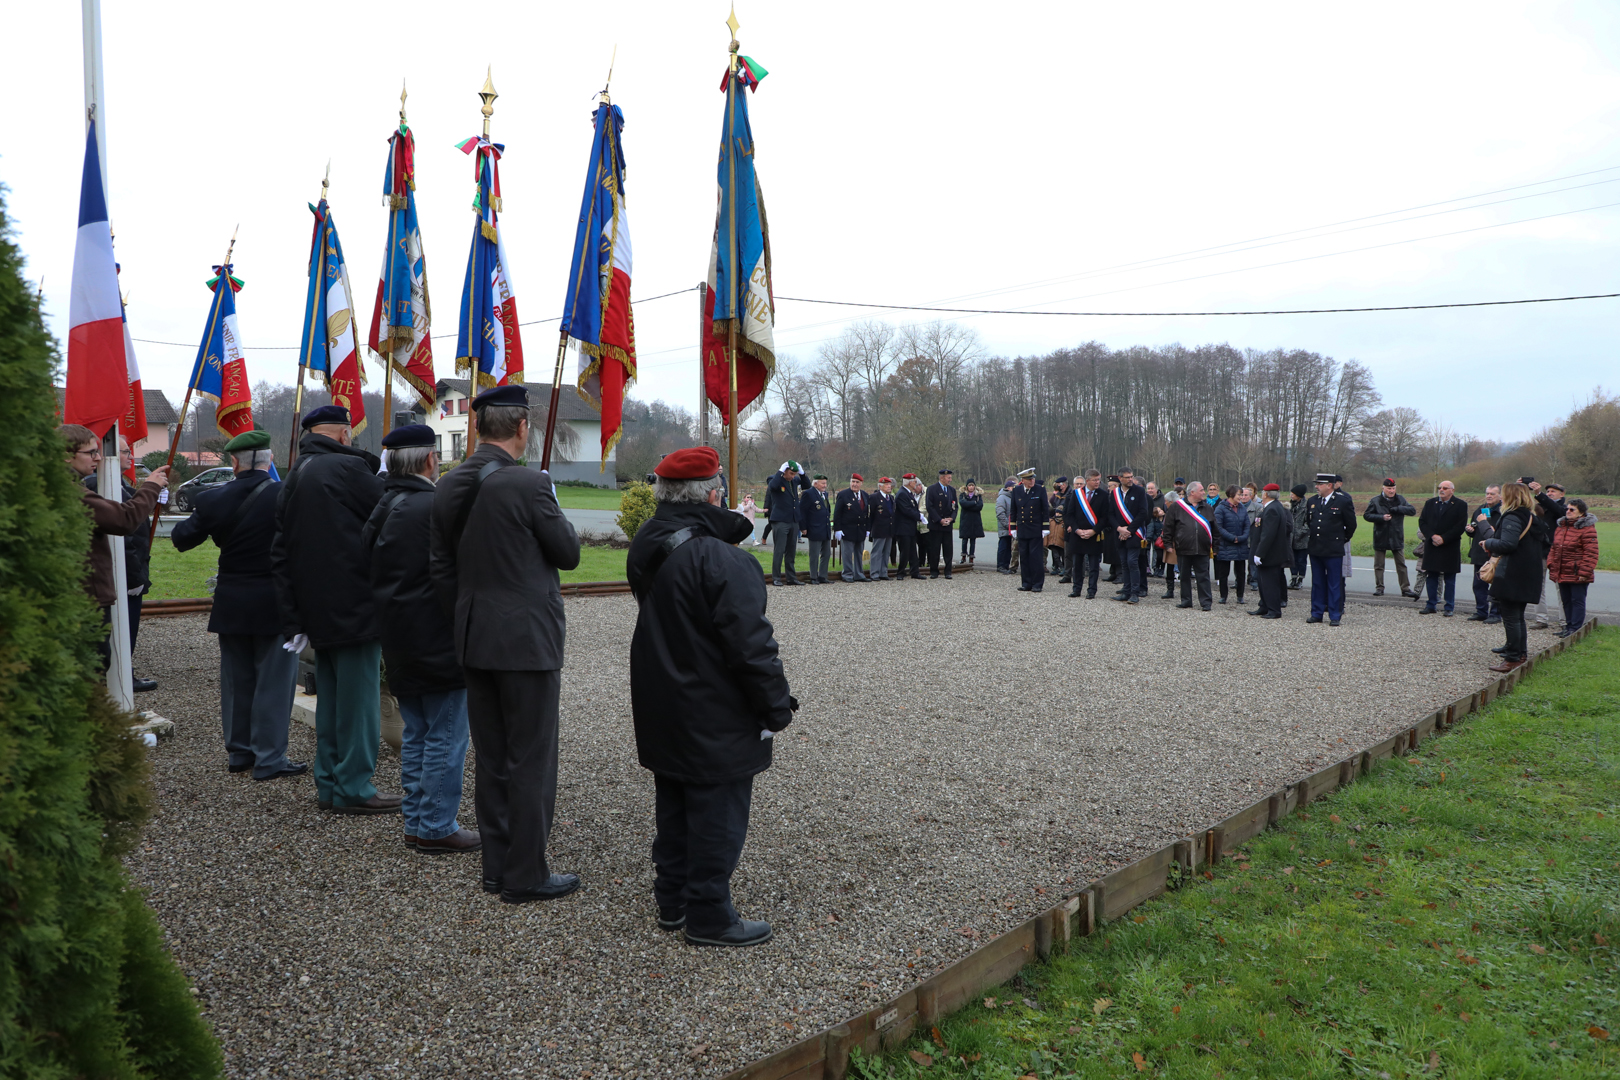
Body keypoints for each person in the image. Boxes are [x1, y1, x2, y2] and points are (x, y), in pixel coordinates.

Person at [626, 446, 796, 947]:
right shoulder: (723, 560)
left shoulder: (648, 541)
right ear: (714, 493)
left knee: (675, 799)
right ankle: (709, 915)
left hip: (663, 693)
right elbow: (751, 646)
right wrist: (775, 705)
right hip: (712, 703)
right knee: (718, 812)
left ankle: (673, 898)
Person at [429, 385, 582, 903]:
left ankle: (496, 867)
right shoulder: (530, 484)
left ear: (477, 428)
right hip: (526, 639)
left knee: (492, 757)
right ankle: (526, 875)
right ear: (522, 428)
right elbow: (568, 554)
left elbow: (441, 567)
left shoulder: (448, 485)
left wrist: (470, 613)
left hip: (474, 635)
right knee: (532, 759)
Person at [272, 404, 395, 815]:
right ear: (343, 435)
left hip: (317, 608)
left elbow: (280, 551)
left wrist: (294, 616)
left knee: (332, 703)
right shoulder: (347, 470)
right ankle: (355, 786)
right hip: (355, 606)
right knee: (359, 706)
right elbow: (389, 516)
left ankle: (329, 782)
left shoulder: (295, 475)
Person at [362, 424, 477, 854]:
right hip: (437, 637)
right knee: (446, 736)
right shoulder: (432, 506)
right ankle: (434, 824)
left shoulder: (386, 502)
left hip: (400, 636)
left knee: (418, 734)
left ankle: (418, 820)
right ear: (430, 460)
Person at [171, 429, 304, 782]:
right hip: (275, 601)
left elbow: (181, 539)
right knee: (274, 684)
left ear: (234, 463)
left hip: (231, 600)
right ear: (268, 461)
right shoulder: (284, 494)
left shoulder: (214, 499)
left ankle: (239, 752)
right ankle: (270, 757)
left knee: (237, 681)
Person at [60, 424, 170, 673]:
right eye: (91, 452)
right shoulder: (71, 493)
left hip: (73, 594)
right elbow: (123, 520)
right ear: (66, 455)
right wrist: (151, 486)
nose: (99, 458)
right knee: (92, 669)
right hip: (85, 598)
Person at [85, 435, 159, 691]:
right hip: (121, 577)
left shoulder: (117, 483)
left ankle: (125, 675)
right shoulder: (99, 484)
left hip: (127, 574)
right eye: (126, 452)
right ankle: (120, 681)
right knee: (118, 635)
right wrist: (134, 576)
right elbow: (123, 532)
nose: (131, 457)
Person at [1482, 482, 1550, 671]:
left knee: (1511, 617)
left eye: (1503, 495)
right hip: (1528, 572)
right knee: (1518, 616)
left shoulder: (1512, 516)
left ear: (1510, 497)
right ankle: (1520, 653)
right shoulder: (1531, 516)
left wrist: (1488, 542)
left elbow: (1508, 544)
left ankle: (1512, 658)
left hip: (1513, 572)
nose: (1501, 498)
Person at [1304, 472, 1356, 626]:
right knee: (1317, 582)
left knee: (1334, 583)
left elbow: (1351, 525)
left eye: (1320, 484)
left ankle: (1334, 615)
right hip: (1316, 548)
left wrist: (1341, 540)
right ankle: (1316, 613)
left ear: (1329, 485)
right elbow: (1309, 521)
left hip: (1333, 549)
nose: (1316, 487)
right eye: (1317, 484)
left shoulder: (1342, 501)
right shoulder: (1312, 501)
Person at [1547, 497, 1599, 638]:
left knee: (1577, 600)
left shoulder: (1587, 529)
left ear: (1581, 513)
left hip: (1577, 572)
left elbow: (1591, 553)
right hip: (1562, 570)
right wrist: (1551, 564)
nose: (1568, 512)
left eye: (1572, 510)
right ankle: (1568, 626)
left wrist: (1584, 572)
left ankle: (1575, 628)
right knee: (1566, 601)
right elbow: (1554, 548)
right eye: (1567, 509)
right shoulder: (1562, 527)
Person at [1417, 480, 1469, 616]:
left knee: (1449, 579)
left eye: (1445, 488)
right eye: (1440, 487)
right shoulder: (1430, 503)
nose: (1441, 490)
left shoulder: (1460, 505)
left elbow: (1460, 526)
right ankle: (1431, 604)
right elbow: (1422, 522)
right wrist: (1432, 536)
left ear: (1452, 490)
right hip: (1432, 544)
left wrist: (1444, 538)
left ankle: (1449, 607)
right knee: (1431, 576)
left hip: (1450, 546)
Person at [1163, 481, 1214, 610]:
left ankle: (1206, 602)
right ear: (1192, 492)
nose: (1204, 493)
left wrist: (1216, 546)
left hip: (1202, 548)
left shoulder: (1207, 508)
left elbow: (1214, 528)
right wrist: (1168, 544)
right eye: (1201, 490)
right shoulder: (1176, 507)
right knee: (1184, 576)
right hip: (1183, 547)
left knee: (1203, 576)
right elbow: (1169, 527)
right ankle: (1186, 600)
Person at [1363, 478, 1417, 597]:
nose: (1391, 491)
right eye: (1389, 488)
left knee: (1401, 565)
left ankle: (1405, 588)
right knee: (1379, 565)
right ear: (1383, 488)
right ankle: (1379, 587)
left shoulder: (1400, 499)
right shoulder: (1375, 500)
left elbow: (1412, 511)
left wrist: (1398, 509)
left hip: (1396, 536)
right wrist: (1381, 517)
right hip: (1380, 535)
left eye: (1393, 488)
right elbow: (1367, 515)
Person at [1528, 481, 1568, 631]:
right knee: (1538, 586)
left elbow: (1556, 510)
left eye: (1553, 491)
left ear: (1562, 494)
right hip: (1540, 550)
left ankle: (1564, 620)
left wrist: (1540, 495)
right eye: (1548, 491)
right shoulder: (1540, 506)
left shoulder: (1564, 509)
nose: (1550, 493)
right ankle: (1541, 619)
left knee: (1561, 587)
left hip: (1557, 552)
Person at [1249, 483, 1291, 618]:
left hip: (1270, 554)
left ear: (1266, 494)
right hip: (1269, 552)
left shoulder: (1272, 509)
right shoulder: (1273, 507)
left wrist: (1260, 553)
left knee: (1270, 583)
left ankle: (1274, 610)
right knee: (1263, 582)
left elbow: (1268, 534)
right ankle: (1264, 606)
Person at [764, 461, 809, 586]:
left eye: (795, 474)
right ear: (785, 471)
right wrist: (780, 471)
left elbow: (807, 485)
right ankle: (776, 577)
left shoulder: (793, 481)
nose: (793, 476)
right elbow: (772, 486)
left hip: (793, 520)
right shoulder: (777, 480)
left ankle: (791, 577)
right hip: (780, 520)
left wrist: (802, 473)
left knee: (791, 551)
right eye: (791, 473)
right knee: (779, 550)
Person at [1064, 469, 1106, 599]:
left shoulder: (1103, 495)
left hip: (1094, 534)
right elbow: (1069, 515)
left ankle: (1091, 590)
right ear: (1087, 481)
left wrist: (1094, 531)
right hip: (1078, 535)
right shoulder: (1076, 494)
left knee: (1093, 566)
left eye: (1099, 479)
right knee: (1077, 565)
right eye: (1095, 480)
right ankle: (1076, 589)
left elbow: (1105, 517)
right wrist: (1077, 530)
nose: (1097, 482)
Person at [1109, 467, 1150, 602]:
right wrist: (1120, 529)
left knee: (1132, 562)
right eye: (1127, 477)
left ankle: (1134, 593)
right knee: (1124, 563)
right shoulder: (1114, 493)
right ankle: (1125, 591)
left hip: (1135, 533)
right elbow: (1110, 514)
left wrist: (1129, 530)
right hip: (1120, 533)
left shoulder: (1139, 491)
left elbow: (1143, 512)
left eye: (1132, 476)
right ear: (1120, 479)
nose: (1131, 479)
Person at [1464, 485, 1502, 623]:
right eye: (1487, 493)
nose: (1489, 496)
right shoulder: (1480, 509)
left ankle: (1495, 614)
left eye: (1492, 493)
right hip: (1480, 552)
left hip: (1497, 553)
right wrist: (1470, 530)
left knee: (1496, 585)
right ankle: (1481, 611)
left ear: (1500, 496)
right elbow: (1474, 529)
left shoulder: (1504, 512)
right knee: (1478, 584)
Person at [1008, 468, 1049, 592]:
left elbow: (1045, 509)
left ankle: (1037, 583)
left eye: (1033, 478)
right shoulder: (1017, 490)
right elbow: (1013, 510)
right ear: (1023, 480)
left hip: (1035, 528)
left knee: (1035, 557)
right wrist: (1013, 527)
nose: (1032, 481)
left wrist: (1045, 527)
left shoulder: (1040, 489)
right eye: (1029, 479)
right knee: (1024, 557)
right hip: (1023, 528)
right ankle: (1026, 582)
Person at [1212, 485, 1250, 605]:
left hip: (1240, 544)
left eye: (1242, 494)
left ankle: (1240, 596)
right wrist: (1232, 538)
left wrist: (1242, 538)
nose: (1241, 497)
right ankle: (1223, 596)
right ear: (1231, 495)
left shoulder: (1242, 508)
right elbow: (1219, 527)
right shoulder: (1220, 509)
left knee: (1241, 572)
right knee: (1224, 573)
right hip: (1226, 545)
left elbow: (1247, 525)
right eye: (1239, 494)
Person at [833, 473, 872, 583]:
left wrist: (868, 529)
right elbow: (837, 513)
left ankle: (859, 574)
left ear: (861, 483)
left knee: (859, 553)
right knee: (847, 554)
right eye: (853, 482)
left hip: (860, 530)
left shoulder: (865, 495)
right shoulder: (843, 494)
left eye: (857, 482)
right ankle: (847, 574)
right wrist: (838, 529)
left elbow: (867, 513)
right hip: (847, 529)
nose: (854, 484)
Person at [924, 468, 958, 579]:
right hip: (936, 524)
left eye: (950, 478)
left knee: (948, 549)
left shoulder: (952, 490)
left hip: (948, 525)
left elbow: (955, 507)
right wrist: (939, 520)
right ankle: (934, 571)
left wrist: (951, 519)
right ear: (942, 478)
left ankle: (948, 571)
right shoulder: (932, 489)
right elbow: (930, 506)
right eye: (948, 478)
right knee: (935, 549)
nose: (950, 480)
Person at [799, 475, 833, 584]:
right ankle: (813, 576)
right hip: (814, 528)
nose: (825, 486)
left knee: (826, 553)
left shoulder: (824, 494)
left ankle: (823, 576)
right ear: (815, 483)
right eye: (822, 483)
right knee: (814, 554)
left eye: (825, 483)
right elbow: (802, 511)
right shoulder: (809, 494)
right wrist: (803, 527)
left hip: (825, 528)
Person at [895, 474, 924, 580]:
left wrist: (918, 515)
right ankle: (900, 572)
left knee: (912, 551)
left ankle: (915, 572)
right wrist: (919, 516)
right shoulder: (902, 494)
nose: (915, 483)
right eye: (914, 481)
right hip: (903, 528)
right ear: (908, 482)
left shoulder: (909, 493)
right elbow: (906, 510)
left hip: (910, 527)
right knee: (905, 551)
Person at [868, 477, 896, 581]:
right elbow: (871, 514)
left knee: (886, 551)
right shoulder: (874, 497)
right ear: (880, 486)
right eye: (886, 484)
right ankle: (874, 573)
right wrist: (869, 529)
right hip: (879, 528)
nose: (889, 486)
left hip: (889, 529)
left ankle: (883, 572)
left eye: (890, 484)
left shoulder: (891, 498)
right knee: (877, 551)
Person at [1288, 483, 1311, 589]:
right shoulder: (1290, 506)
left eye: (1293, 494)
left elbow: (1309, 523)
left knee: (1301, 560)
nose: (1291, 496)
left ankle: (1300, 579)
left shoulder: (1306, 506)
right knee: (1292, 559)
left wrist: (1300, 532)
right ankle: (1293, 578)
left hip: (1302, 539)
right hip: (1291, 538)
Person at [958, 480, 985, 566]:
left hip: (974, 520)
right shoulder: (963, 495)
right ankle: (963, 556)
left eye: (972, 485)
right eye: (969, 485)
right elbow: (962, 504)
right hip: (965, 520)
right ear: (966, 487)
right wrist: (973, 503)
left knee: (973, 540)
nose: (971, 487)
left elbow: (979, 506)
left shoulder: (978, 496)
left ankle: (971, 557)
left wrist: (969, 506)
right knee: (964, 539)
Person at [1045, 476, 1068, 577]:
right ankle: (1056, 566)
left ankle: (1063, 567)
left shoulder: (1070, 494)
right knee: (1054, 550)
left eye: (1059, 484)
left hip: (1063, 522)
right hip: (1055, 521)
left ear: (1064, 484)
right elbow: (1052, 506)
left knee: (1063, 552)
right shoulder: (1057, 496)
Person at [994, 479, 1015, 574]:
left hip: (1010, 528)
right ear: (1008, 488)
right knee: (1003, 547)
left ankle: (1006, 566)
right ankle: (1001, 565)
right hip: (1005, 528)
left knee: (1009, 548)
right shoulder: (1002, 498)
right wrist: (1008, 525)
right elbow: (1000, 513)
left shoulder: (1012, 497)